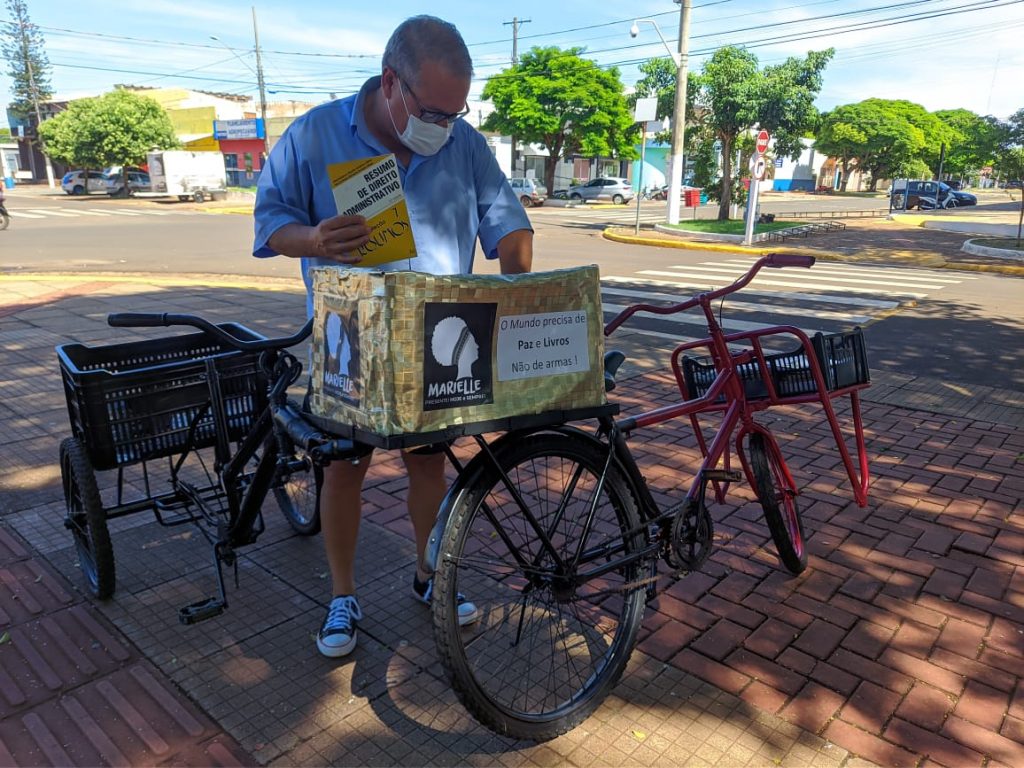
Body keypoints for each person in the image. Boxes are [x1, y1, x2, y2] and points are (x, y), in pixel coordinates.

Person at [252, 15, 533, 658]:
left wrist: (521, 292)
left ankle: (429, 576)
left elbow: (508, 227)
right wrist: (315, 239)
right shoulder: (316, 135)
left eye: (457, 112)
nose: (446, 125)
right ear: (391, 84)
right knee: (345, 468)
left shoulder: (463, 144)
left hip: (437, 342)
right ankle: (343, 597)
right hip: (348, 340)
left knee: (427, 462)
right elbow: (271, 224)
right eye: (435, 110)